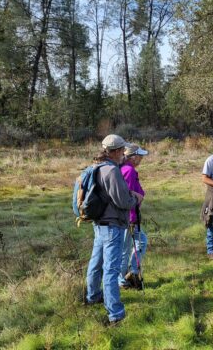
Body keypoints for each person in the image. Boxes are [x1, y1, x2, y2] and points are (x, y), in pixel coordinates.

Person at [85, 134, 143, 325]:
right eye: (122, 151)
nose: (124, 154)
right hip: (112, 226)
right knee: (111, 270)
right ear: (117, 151)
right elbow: (123, 201)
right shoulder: (112, 171)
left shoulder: (96, 166)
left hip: (99, 224)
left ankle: (92, 297)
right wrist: (135, 198)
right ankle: (115, 314)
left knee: (96, 262)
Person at [118, 143, 149, 290]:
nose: (142, 158)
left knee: (138, 242)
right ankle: (123, 280)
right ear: (134, 157)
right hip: (129, 218)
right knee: (126, 249)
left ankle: (130, 273)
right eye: (140, 155)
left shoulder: (127, 169)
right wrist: (132, 218)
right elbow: (128, 195)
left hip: (130, 217)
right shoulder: (129, 171)